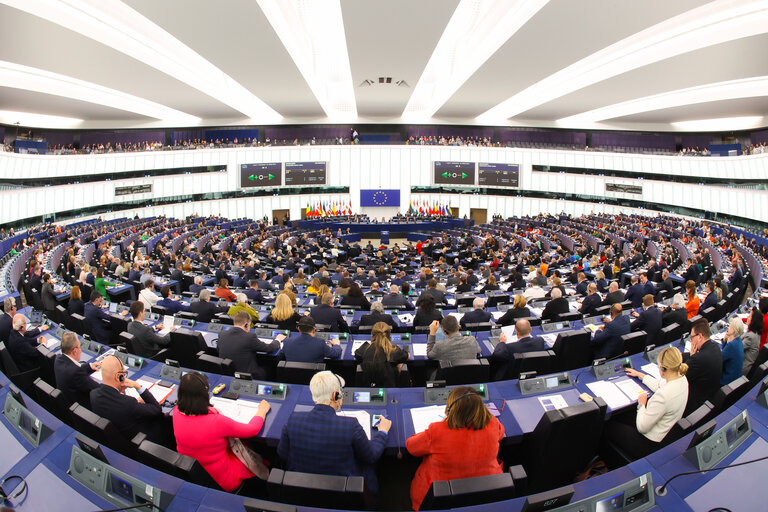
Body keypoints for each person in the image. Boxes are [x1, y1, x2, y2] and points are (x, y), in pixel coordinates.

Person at [278, 371, 391, 497]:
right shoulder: (351, 425)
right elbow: (371, 456)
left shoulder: (293, 420)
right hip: (345, 493)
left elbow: (283, 454)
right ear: (335, 395)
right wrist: (383, 432)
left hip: (303, 491)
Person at [406, 386, 505, 511]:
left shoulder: (437, 431)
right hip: (486, 492)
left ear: (450, 410)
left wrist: (443, 423)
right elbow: (501, 433)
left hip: (440, 496)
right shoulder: (493, 424)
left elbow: (411, 446)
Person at [173, 372, 271, 491]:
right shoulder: (216, 422)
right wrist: (262, 411)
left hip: (194, 475)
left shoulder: (176, 412)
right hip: (221, 480)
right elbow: (253, 430)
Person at [613, 347, 689, 459]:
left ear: (663, 369)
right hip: (662, 433)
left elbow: (642, 427)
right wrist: (640, 375)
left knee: (610, 426)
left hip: (649, 442)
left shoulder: (664, 395)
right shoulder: (682, 379)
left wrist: (642, 404)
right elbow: (659, 384)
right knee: (622, 417)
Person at [90, 355, 173, 447]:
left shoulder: (93, 394)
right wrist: (138, 386)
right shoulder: (128, 403)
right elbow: (157, 409)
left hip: (121, 441)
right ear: (119, 376)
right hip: (143, 441)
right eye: (124, 374)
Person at [218, 311, 280, 379]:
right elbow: (269, 348)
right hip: (249, 375)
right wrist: (277, 340)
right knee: (270, 366)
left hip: (229, 374)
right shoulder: (250, 337)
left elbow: (218, 349)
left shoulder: (222, 334)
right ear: (246, 325)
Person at [683, 318, 722, 415]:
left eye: (692, 337)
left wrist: (692, 357)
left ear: (700, 336)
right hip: (708, 398)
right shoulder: (715, 347)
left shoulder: (697, 359)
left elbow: (681, 378)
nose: (691, 341)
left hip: (692, 404)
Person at [354, 321, 409, 387]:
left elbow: (357, 354)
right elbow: (407, 356)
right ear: (389, 335)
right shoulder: (394, 351)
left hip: (368, 386)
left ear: (372, 335)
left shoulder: (364, 348)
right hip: (389, 387)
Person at [54, 331, 101, 408]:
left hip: (69, 401)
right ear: (75, 351)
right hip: (84, 407)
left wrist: (89, 366)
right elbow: (96, 388)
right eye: (80, 347)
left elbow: (70, 369)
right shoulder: (75, 372)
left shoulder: (58, 359)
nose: (81, 350)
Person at [720, 318, 744, 386]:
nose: (728, 327)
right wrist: (725, 341)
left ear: (734, 330)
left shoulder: (732, 345)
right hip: (735, 380)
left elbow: (719, 359)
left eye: (730, 326)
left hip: (726, 381)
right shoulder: (739, 341)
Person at [742, 306, 762, 376]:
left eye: (749, 317)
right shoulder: (755, 333)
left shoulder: (751, 336)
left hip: (743, 368)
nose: (747, 318)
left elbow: (738, 348)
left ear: (753, 321)